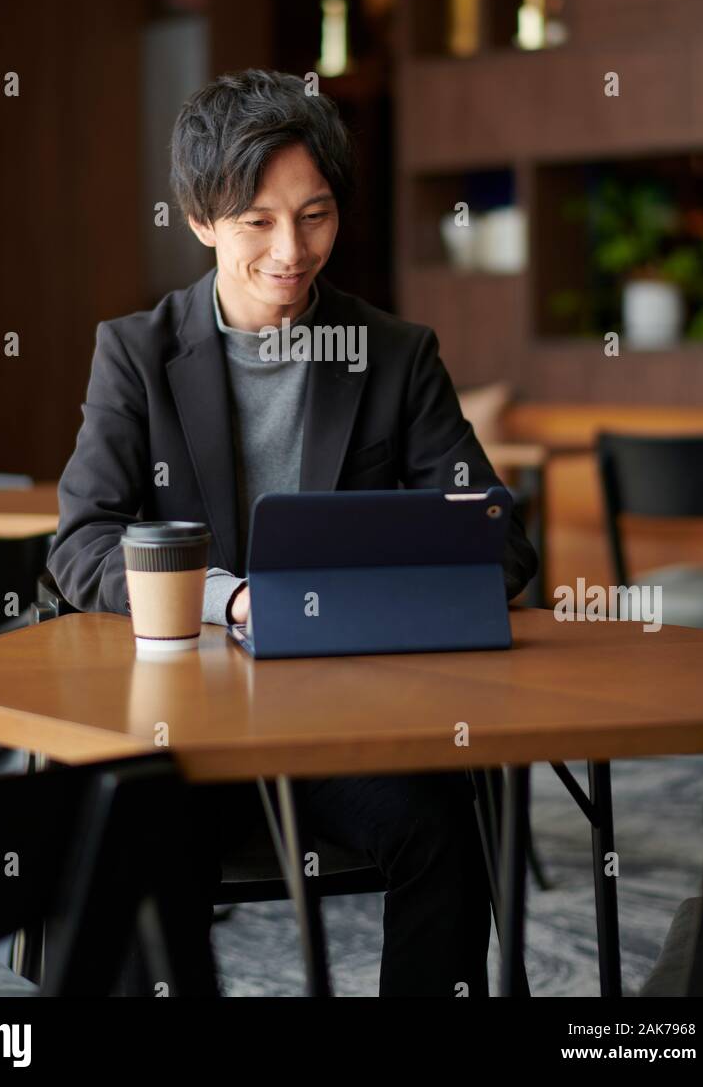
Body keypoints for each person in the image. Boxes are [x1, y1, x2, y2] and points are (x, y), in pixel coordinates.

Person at [47, 68, 537, 996]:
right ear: (200, 220)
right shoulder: (136, 354)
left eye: (314, 216)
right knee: (141, 849)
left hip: (344, 724)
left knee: (445, 823)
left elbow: (501, 542)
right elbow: (82, 541)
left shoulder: (395, 355)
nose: (291, 250)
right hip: (178, 730)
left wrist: (364, 592)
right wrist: (229, 596)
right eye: (258, 222)